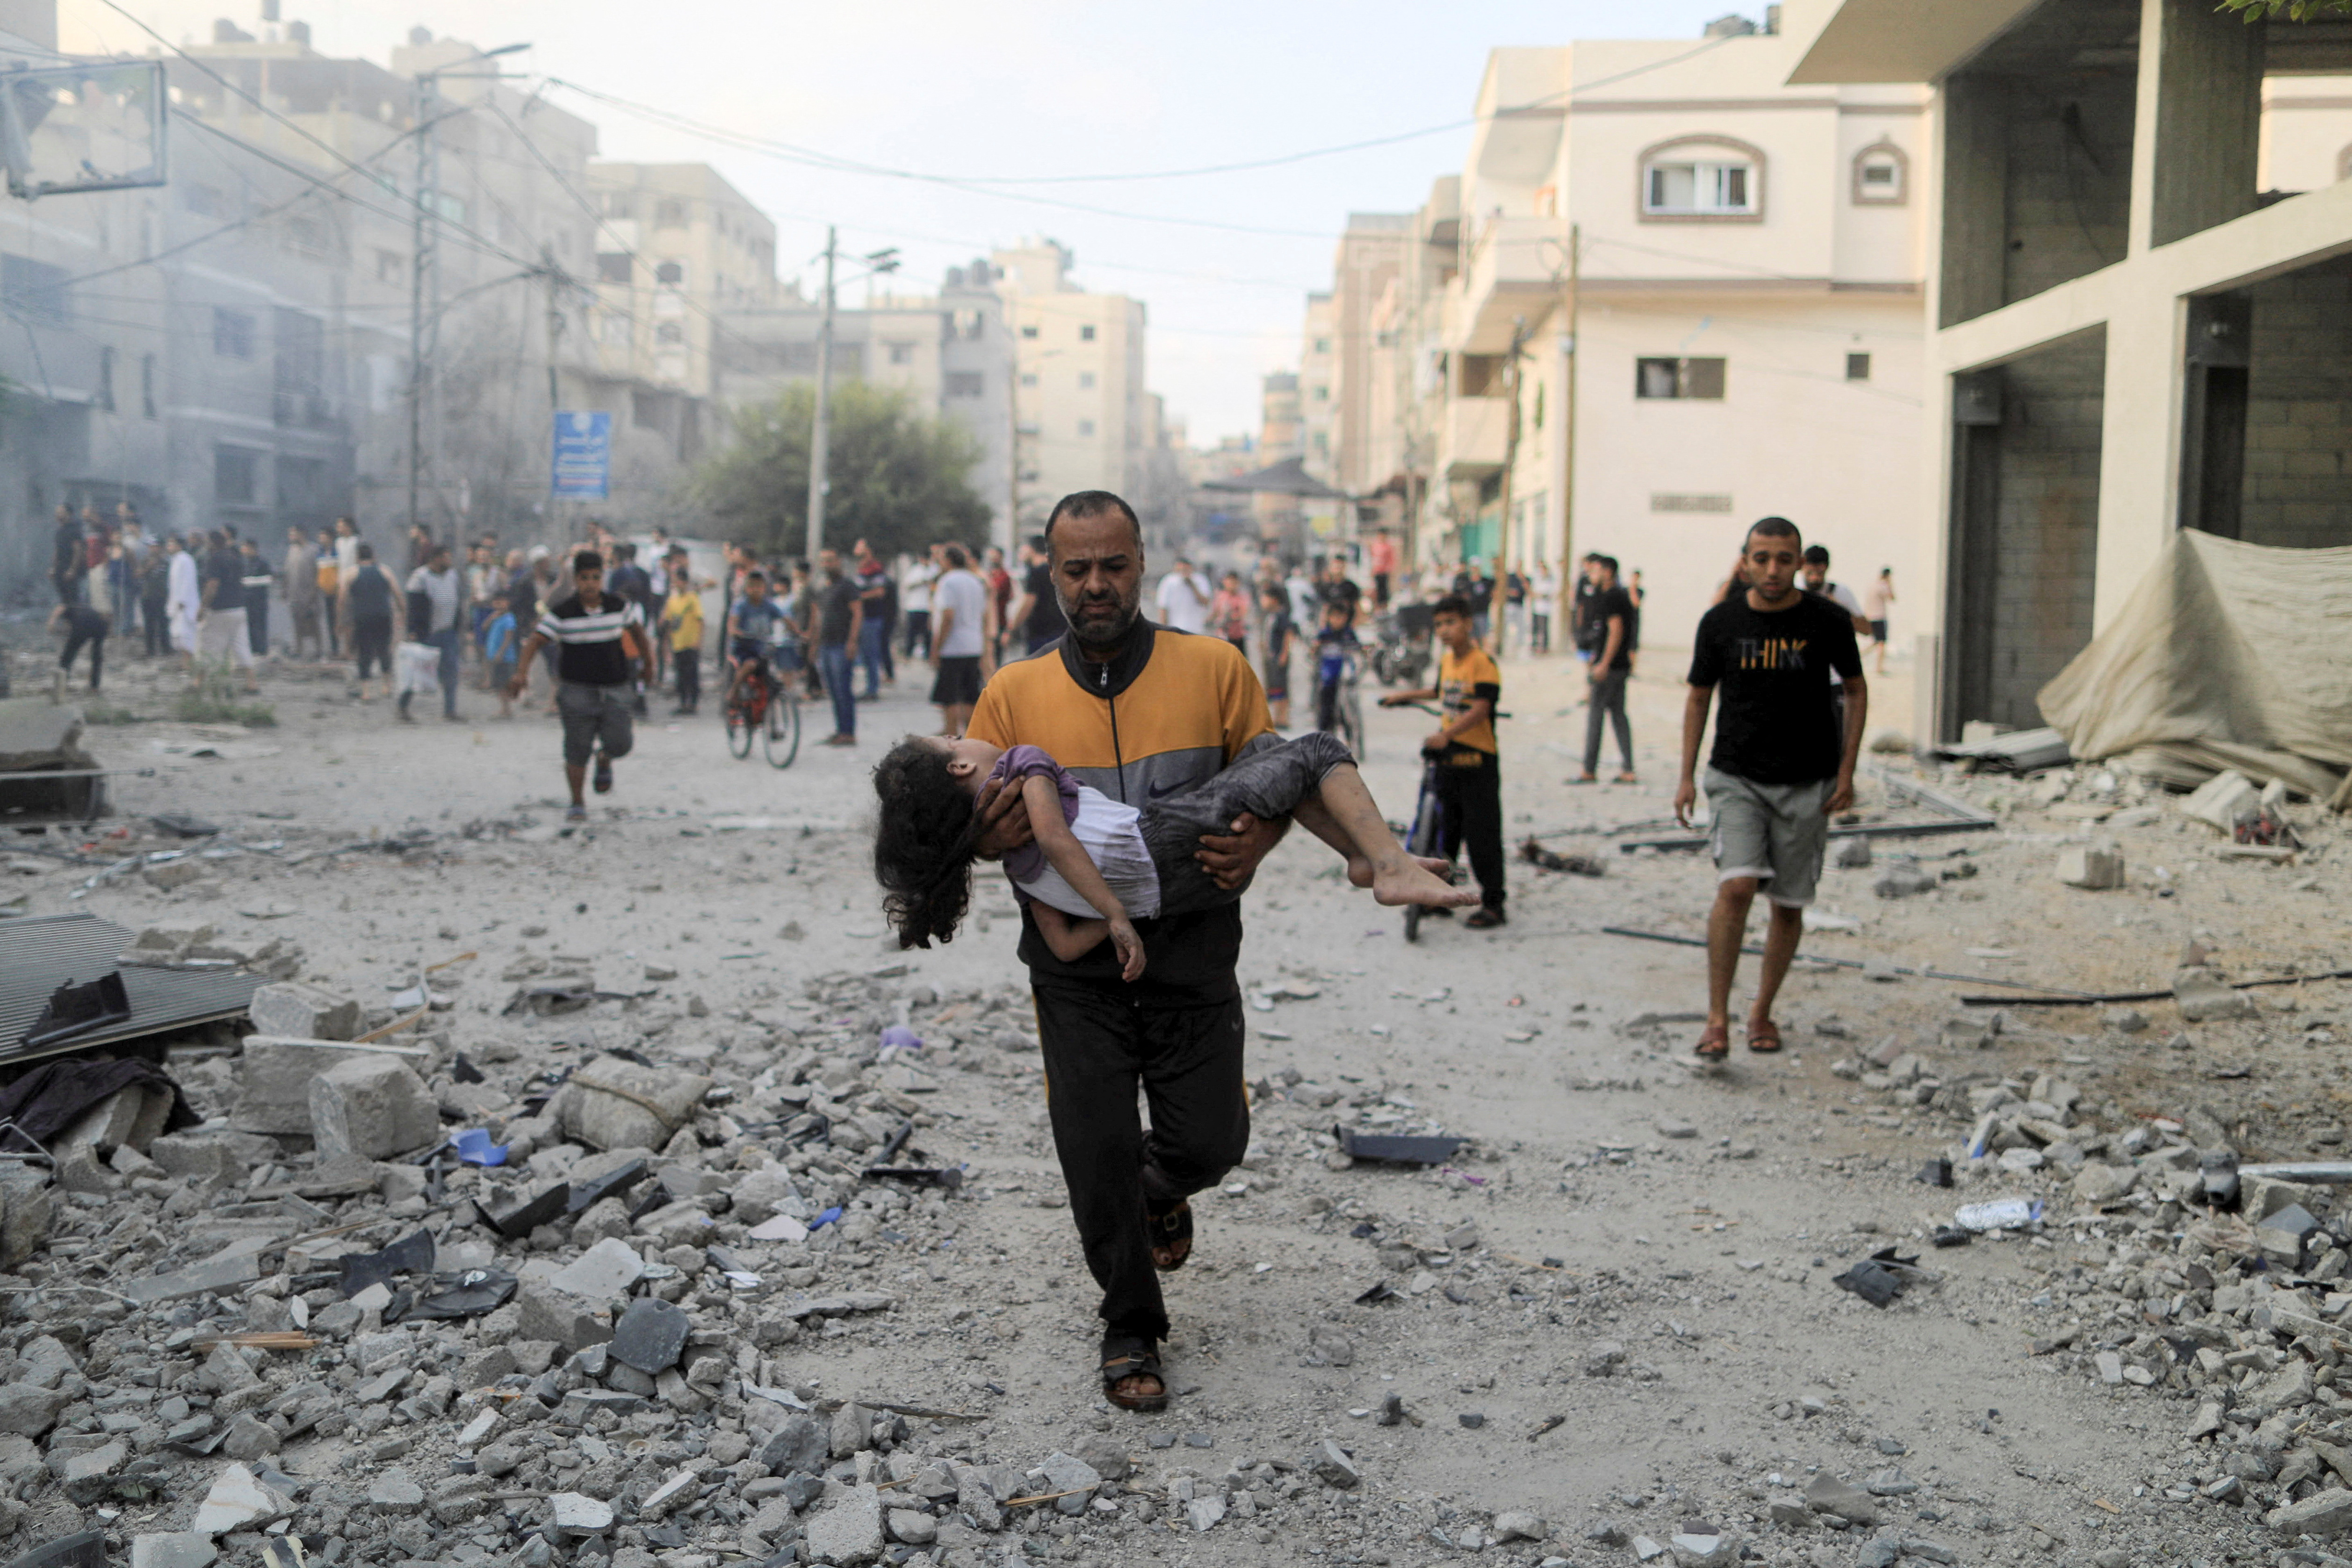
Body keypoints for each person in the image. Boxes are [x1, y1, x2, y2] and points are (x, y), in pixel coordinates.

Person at [955, 488, 1300, 1414]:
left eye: (1113, 563)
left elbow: (1277, 777)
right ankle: (1129, 1323)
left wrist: (1259, 840)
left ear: (1143, 562)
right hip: (1073, 968)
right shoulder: (1012, 693)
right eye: (1077, 568)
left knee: (1212, 1140)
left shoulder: (1216, 668)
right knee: (1092, 1142)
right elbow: (974, 827)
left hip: (1194, 948)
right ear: (1051, 572)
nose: (1096, 583)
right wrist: (986, 836)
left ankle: (1161, 1185)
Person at [874, 728, 1470, 972]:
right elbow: (1058, 835)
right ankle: (1387, 864)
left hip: (1174, 895)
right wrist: (1113, 912)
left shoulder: (1017, 869)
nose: (966, 732)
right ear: (960, 764)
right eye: (954, 737)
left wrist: (1126, 912)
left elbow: (1059, 940)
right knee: (1315, 751)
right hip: (1171, 837)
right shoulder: (1021, 764)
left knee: (1265, 745)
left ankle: (1361, 856)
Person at [1674, 517, 1866, 1063]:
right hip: (1735, 777)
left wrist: (1846, 771)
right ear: (1744, 561)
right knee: (1735, 888)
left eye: (1784, 558)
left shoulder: (1827, 620)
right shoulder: (1719, 622)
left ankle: (1761, 1009)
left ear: (1800, 561)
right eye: (1761, 558)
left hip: (1808, 781)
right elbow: (1696, 697)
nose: (1773, 569)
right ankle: (1716, 1019)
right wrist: (1686, 775)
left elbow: (1855, 689)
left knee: (1787, 905)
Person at [1379, 594, 1506, 929]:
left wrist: (1447, 736)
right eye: (1439, 625)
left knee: (1483, 835)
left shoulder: (1483, 663)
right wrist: (1402, 696)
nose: (1444, 631)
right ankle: (1443, 896)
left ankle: (1494, 904)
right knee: (1446, 831)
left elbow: (1481, 708)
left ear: (1467, 623)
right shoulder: (1448, 661)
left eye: (1451, 622)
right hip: (1449, 759)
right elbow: (1438, 692)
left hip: (1478, 760)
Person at [506, 550, 656, 824]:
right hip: (577, 690)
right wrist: (520, 674)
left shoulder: (618, 607)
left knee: (621, 743)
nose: (590, 584)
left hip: (615, 687)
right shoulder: (563, 613)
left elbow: (638, 634)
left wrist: (649, 665)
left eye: (596, 578)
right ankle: (577, 802)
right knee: (577, 748)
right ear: (576, 580)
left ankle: (605, 758)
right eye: (584, 578)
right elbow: (535, 642)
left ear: (603, 579)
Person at [1575, 556, 1637, 784]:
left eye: (1597, 570)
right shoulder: (1613, 595)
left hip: (1611, 668)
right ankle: (1628, 769)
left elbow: (1616, 631)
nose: (1592, 574)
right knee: (1619, 715)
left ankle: (1589, 770)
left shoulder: (1613, 597)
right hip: (1617, 666)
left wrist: (1604, 663)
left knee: (1596, 715)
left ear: (1608, 572)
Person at [928, 542, 989, 737]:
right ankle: (971, 733)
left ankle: (951, 732)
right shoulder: (976, 581)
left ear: (949, 560)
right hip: (973, 644)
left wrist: (937, 647)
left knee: (950, 695)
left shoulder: (948, 582)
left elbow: (948, 616)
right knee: (970, 693)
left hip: (953, 646)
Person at [402, 543, 464, 723]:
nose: (449, 561)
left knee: (451, 671)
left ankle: (450, 710)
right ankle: (403, 706)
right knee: (417, 671)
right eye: (446, 557)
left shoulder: (452, 576)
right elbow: (414, 608)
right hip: (427, 633)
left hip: (448, 632)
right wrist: (413, 631)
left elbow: (457, 603)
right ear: (436, 559)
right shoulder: (420, 578)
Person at [812, 549, 861, 747]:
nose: (827, 565)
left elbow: (858, 614)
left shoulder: (848, 586)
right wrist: (814, 645)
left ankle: (849, 733)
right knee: (833, 690)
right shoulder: (824, 589)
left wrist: (852, 641)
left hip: (841, 645)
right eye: (823, 561)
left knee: (843, 690)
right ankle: (840, 730)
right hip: (826, 645)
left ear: (839, 562)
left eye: (830, 561)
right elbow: (817, 618)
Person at [196, 532, 259, 690]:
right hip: (239, 608)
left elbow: (212, 586)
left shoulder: (214, 559)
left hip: (220, 610)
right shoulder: (235, 558)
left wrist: (202, 607)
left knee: (208, 644)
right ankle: (252, 683)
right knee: (241, 645)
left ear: (212, 543)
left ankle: (199, 682)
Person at [724, 569, 788, 713]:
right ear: (747, 588)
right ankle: (734, 691)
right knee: (750, 664)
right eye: (752, 586)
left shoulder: (769, 605)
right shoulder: (741, 606)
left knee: (773, 680)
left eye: (760, 586)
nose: (756, 590)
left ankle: (771, 719)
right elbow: (732, 624)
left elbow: (785, 619)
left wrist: (799, 633)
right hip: (744, 648)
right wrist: (736, 632)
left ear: (764, 588)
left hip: (762, 649)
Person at [344, 544, 397, 701]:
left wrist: (341, 620)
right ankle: (387, 686)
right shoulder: (385, 571)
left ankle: (366, 691)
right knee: (384, 650)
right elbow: (398, 594)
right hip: (383, 616)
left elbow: (342, 599)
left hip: (362, 617)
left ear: (357, 558)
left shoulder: (351, 573)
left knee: (364, 652)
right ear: (373, 557)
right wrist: (403, 613)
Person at [1311, 596, 1359, 738]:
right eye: (1336, 617)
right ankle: (1325, 731)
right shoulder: (1325, 634)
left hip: (1345, 669)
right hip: (1329, 671)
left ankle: (1350, 732)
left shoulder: (1348, 633)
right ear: (1329, 618)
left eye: (1342, 617)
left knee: (1348, 701)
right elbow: (1315, 648)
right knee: (1327, 700)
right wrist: (1315, 649)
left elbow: (1358, 647)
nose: (1339, 621)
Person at [1010, 535, 1065, 656]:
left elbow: (1029, 602)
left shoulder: (1036, 573)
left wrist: (1013, 627)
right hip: (1061, 631)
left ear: (1031, 549)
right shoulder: (1058, 571)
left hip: (1040, 633)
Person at [663, 569, 704, 716]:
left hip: (691, 643)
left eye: (679, 581)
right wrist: (667, 645)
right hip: (678, 643)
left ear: (685, 583)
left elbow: (700, 620)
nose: (676, 584)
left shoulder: (692, 598)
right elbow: (669, 622)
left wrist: (698, 640)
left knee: (692, 674)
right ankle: (683, 703)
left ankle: (693, 703)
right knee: (680, 675)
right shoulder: (672, 600)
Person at [48, 602, 108, 695]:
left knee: (67, 656)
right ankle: (94, 687)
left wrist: (51, 622)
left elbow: (60, 607)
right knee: (97, 656)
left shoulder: (70, 608)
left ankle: (61, 684)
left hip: (82, 626)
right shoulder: (81, 607)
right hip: (101, 625)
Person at [1258, 584, 1294, 730]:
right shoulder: (1269, 616)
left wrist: (1285, 653)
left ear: (1274, 600)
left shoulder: (1282, 615)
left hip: (1279, 656)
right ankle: (1276, 716)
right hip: (1270, 657)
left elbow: (1288, 634)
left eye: (1265, 598)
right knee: (1273, 686)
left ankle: (1283, 717)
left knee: (1281, 686)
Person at [285, 528, 322, 660]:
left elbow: (318, 572)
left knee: (313, 623)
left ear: (301, 534)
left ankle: (319, 650)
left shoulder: (314, 550)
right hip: (294, 594)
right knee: (297, 623)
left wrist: (314, 591)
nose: (291, 536)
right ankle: (299, 650)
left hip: (310, 594)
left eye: (293, 534)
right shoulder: (292, 550)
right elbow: (287, 572)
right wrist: (285, 590)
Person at [482, 591, 519, 720]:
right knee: (498, 684)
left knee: (503, 684)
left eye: (502, 602)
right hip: (494, 655)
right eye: (496, 602)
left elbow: (509, 636)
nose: (499, 605)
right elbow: (484, 628)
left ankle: (506, 709)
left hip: (505, 657)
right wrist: (491, 618)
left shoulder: (509, 618)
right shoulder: (495, 617)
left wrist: (501, 652)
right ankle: (505, 708)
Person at [165, 534, 200, 668]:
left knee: (186, 633)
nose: (169, 547)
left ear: (179, 546)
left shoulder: (186, 560)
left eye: (171, 544)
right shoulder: (176, 560)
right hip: (176, 603)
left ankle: (189, 662)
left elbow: (187, 582)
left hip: (185, 604)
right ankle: (185, 661)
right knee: (178, 634)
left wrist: (182, 601)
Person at [1154, 556, 1212, 636]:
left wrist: (1192, 585)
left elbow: (1206, 602)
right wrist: (1164, 630)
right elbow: (1163, 608)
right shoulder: (1168, 581)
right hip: (1175, 630)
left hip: (1196, 630)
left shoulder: (1200, 579)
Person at [902, 549, 938, 662]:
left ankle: (928, 655)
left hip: (928, 607)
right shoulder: (915, 570)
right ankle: (908, 654)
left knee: (928, 633)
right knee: (912, 632)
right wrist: (922, 581)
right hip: (915, 606)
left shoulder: (935, 569)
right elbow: (907, 584)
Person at [239, 536, 273, 659]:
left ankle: (262, 649)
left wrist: (249, 583)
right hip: (247, 600)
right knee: (249, 625)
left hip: (259, 600)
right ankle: (253, 649)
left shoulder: (262, 563)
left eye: (245, 547)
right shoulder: (244, 563)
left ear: (252, 548)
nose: (243, 550)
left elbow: (268, 580)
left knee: (260, 625)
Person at [139, 537, 173, 659]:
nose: (153, 549)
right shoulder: (145, 560)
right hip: (148, 596)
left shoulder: (168, 561)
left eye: (155, 546)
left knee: (164, 623)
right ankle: (150, 650)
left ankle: (166, 648)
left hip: (162, 597)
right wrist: (149, 567)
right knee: (149, 624)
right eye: (151, 547)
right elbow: (138, 574)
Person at [1209, 571, 1250, 655]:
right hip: (1223, 635)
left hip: (1237, 636)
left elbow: (1243, 614)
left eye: (1234, 582)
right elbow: (1215, 612)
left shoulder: (1242, 597)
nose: (1232, 584)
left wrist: (1230, 617)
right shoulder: (1220, 596)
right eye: (1229, 581)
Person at [1863, 566, 1895, 675]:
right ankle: (1879, 668)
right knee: (1881, 643)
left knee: (1876, 642)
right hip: (1879, 617)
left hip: (1870, 616)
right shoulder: (1883, 586)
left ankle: (1860, 655)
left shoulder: (1873, 586)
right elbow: (1892, 598)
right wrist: (1890, 585)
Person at [1366, 529, 1398, 611]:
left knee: (1384, 592)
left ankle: (1384, 608)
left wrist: (1390, 571)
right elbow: (1371, 559)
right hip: (1376, 572)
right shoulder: (1375, 546)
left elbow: (1391, 560)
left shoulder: (1388, 547)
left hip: (1384, 573)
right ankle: (1376, 609)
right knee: (1375, 591)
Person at [1530, 560, 1557, 655]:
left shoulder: (1551, 580)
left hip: (1545, 609)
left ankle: (1544, 647)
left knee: (1544, 629)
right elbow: (1533, 593)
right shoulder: (1537, 580)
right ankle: (1535, 645)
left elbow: (1551, 594)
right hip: (1537, 608)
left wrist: (1542, 596)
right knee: (1535, 628)